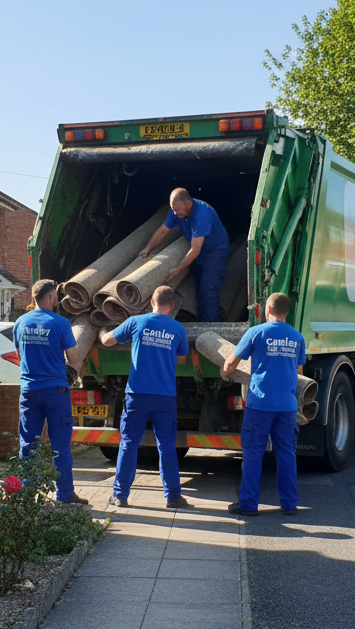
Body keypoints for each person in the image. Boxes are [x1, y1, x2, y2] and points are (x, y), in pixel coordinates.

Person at [100, 285, 191, 509]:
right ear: (172, 305)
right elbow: (182, 360)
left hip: (137, 394)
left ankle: (120, 495)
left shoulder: (136, 322)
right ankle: (173, 497)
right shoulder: (178, 328)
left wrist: (101, 332)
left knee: (129, 444)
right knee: (167, 445)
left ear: (152, 302)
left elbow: (108, 341)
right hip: (165, 396)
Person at [222, 293, 305, 516]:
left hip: (260, 404)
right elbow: (299, 371)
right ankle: (289, 504)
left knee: (253, 453)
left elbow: (232, 362)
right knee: (286, 454)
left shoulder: (256, 332)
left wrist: (225, 373)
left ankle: (248, 504)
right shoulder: (297, 337)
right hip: (286, 406)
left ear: (268, 309)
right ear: (287, 312)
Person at [14, 279, 88, 504]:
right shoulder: (61, 323)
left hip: (29, 390)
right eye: (55, 296)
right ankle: (64, 493)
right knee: (60, 444)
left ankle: (28, 492)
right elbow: (74, 357)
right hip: (56, 390)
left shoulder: (20, 322)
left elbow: (19, 355)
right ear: (50, 297)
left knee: (28, 443)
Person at [138, 188, 230, 322]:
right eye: (173, 210)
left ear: (188, 204)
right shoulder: (176, 210)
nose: (175, 214)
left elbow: (195, 250)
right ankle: (203, 321)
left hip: (215, 252)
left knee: (208, 290)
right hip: (200, 251)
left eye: (177, 210)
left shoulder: (202, 215)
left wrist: (177, 270)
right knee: (199, 288)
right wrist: (148, 248)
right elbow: (163, 231)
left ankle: (210, 328)